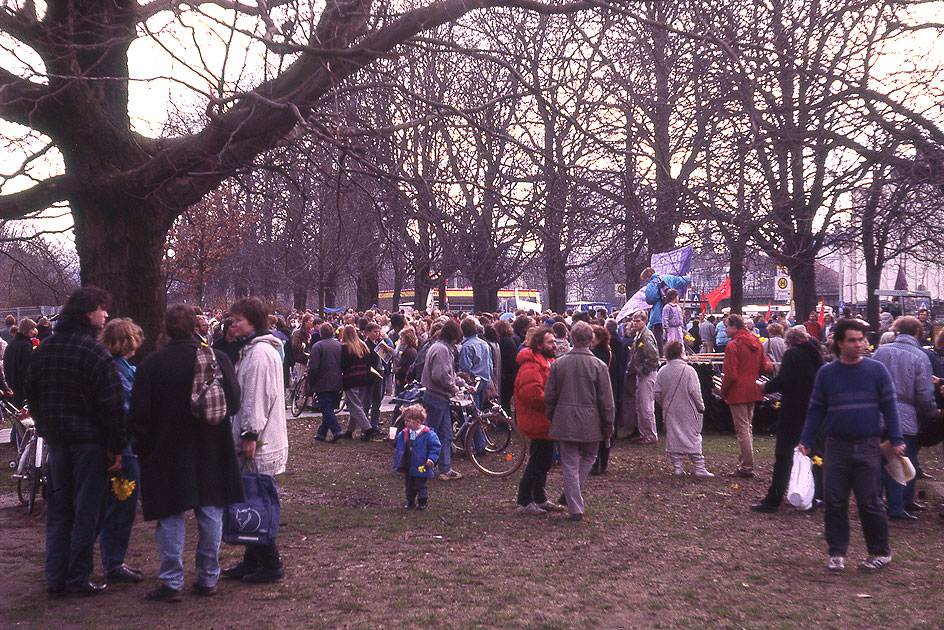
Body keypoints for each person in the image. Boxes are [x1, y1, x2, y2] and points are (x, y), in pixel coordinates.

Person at [129, 305, 243, 601]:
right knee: (211, 512)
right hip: (212, 445)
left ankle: (172, 582)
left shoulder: (151, 365)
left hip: (166, 449)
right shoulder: (216, 358)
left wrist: (142, 449)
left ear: (166, 329)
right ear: (196, 327)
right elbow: (234, 401)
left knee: (170, 516)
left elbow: (139, 415)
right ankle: (208, 577)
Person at [25, 286, 125, 597]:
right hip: (89, 445)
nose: (106, 314)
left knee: (59, 510)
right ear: (87, 312)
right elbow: (112, 405)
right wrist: (116, 448)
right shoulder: (96, 353)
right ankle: (78, 578)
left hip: (57, 443)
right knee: (86, 511)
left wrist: (45, 427)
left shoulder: (44, 350)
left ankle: (56, 577)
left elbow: (32, 395)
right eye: (101, 309)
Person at [799, 318, 905, 571]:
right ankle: (837, 553)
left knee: (870, 502)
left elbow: (890, 407)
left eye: (862, 339)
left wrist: (897, 438)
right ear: (839, 343)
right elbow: (815, 410)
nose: (860, 344)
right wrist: (806, 440)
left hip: (869, 446)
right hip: (836, 447)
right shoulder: (827, 374)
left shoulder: (877, 371)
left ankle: (880, 552)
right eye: (853, 340)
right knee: (834, 501)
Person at [223, 297, 288, 584]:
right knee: (250, 497)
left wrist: (250, 434)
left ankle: (271, 563)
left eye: (238, 319)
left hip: (258, 441)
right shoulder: (253, 350)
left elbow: (257, 399)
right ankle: (252, 560)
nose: (232, 324)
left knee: (256, 499)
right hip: (257, 438)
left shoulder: (260, 354)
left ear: (253, 321)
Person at [871, 316, 941, 520]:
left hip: (880, 412)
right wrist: (932, 412)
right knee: (902, 460)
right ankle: (897, 506)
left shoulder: (881, 351)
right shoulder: (921, 357)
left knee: (882, 459)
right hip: (906, 414)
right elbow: (924, 393)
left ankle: (879, 502)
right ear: (918, 332)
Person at [544, 321, 615, 521]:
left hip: (565, 419)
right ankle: (574, 502)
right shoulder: (598, 366)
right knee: (588, 458)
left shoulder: (559, 364)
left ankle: (572, 498)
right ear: (591, 340)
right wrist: (608, 426)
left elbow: (549, 396)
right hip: (591, 421)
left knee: (569, 463)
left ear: (571, 338)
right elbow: (606, 401)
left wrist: (553, 415)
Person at [750, 326, 825, 513]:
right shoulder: (817, 356)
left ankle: (773, 499)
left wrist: (765, 386)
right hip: (814, 412)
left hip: (793, 412)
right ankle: (817, 496)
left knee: (783, 456)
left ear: (789, 342)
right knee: (815, 454)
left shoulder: (792, 355)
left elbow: (784, 380)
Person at [99, 318, 146, 584]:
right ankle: (113, 562)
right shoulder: (117, 370)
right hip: (122, 446)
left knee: (117, 506)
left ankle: (113, 560)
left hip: (123, 444)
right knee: (121, 505)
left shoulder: (121, 367)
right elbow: (125, 408)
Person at [514, 326, 565, 514]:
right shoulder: (531, 365)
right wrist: (554, 400)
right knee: (537, 461)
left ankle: (540, 497)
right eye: (550, 342)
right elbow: (532, 395)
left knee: (544, 461)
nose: (554, 344)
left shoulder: (546, 361)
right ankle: (526, 499)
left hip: (545, 420)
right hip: (538, 420)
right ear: (539, 344)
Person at [720, 314, 772, 478]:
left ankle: (747, 467)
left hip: (737, 390)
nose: (725, 329)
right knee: (747, 428)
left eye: (727, 326)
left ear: (735, 326)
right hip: (753, 388)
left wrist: (723, 390)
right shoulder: (756, 341)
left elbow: (730, 374)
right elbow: (764, 367)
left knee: (742, 430)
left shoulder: (733, 346)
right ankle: (744, 463)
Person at [654, 341, 712, 477]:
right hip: (689, 409)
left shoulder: (662, 370)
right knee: (693, 436)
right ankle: (699, 468)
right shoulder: (689, 370)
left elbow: (657, 392)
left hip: (670, 409)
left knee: (673, 436)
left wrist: (665, 404)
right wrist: (701, 407)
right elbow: (695, 392)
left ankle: (677, 467)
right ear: (681, 353)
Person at [421, 319, 465, 480]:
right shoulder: (442, 350)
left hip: (439, 397)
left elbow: (447, 373)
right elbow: (440, 375)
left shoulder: (439, 347)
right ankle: (420, 464)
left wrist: (460, 381)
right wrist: (453, 387)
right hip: (436, 397)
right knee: (429, 434)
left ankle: (445, 469)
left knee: (445, 434)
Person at [392, 404, 441, 511]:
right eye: (405, 420)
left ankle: (422, 501)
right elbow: (398, 444)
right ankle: (410, 501)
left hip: (422, 464)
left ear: (417, 421)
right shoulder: (406, 433)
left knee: (420, 483)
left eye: (408, 421)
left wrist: (431, 459)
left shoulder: (428, 434)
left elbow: (435, 448)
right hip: (409, 465)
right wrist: (392, 440)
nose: (405, 423)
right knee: (409, 484)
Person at [338, 324, 378, 440]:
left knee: (355, 406)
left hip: (351, 379)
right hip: (364, 378)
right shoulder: (363, 346)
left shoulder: (345, 348)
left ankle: (368, 428)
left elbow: (343, 366)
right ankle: (350, 431)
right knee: (356, 405)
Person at [308, 322, 346, 442]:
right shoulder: (339, 345)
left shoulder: (317, 346)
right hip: (337, 380)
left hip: (322, 380)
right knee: (328, 407)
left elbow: (314, 367)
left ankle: (337, 430)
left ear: (321, 333)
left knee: (325, 407)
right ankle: (322, 433)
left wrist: (311, 380)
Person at [642, 267, 689, 356]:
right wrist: (688, 278)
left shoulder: (651, 284)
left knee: (659, 333)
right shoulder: (667, 278)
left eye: (645, 278)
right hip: (673, 313)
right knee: (677, 337)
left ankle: (662, 353)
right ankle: (679, 353)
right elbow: (680, 281)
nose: (645, 281)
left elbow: (650, 299)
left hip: (658, 313)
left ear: (648, 276)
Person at [628, 311, 659, 445]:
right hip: (640, 374)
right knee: (640, 406)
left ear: (644, 321)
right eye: (634, 321)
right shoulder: (639, 335)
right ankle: (643, 433)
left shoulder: (646, 337)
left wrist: (645, 372)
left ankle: (651, 435)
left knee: (646, 406)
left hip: (646, 374)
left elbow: (652, 357)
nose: (635, 323)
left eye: (638, 321)